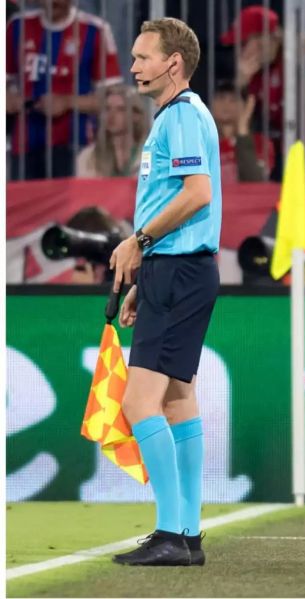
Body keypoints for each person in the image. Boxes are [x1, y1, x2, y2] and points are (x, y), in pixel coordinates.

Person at [107, 17, 222, 567]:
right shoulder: (186, 115)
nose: (133, 68)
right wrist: (146, 274)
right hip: (177, 271)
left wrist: (138, 242)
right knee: (178, 398)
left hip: (178, 270)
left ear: (172, 62)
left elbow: (197, 194)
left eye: (142, 57)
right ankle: (188, 534)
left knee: (138, 401)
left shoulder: (180, 116)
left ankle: (170, 534)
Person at [220, 5, 305, 178]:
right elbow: (248, 117)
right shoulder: (259, 71)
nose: (240, 52)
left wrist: (300, 47)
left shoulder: (298, 57)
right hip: (294, 158)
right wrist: (242, 84)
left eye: (243, 43)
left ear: (265, 39)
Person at [6, 0, 123, 179]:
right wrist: (9, 98)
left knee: (71, 206)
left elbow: (114, 97)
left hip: (76, 144)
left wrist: (67, 102)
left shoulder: (95, 30)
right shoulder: (17, 26)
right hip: (24, 145)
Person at [76, 85, 149, 178]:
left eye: (120, 109)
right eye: (107, 108)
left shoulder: (150, 155)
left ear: (136, 115)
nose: (111, 115)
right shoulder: (88, 157)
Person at [211, 81, 274, 183]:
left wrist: (242, 129)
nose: (226, 104)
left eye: (233, 100)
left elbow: (255, 180)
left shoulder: (261, 142)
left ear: (246, 106)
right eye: (221, 98)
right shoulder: (203, 142)